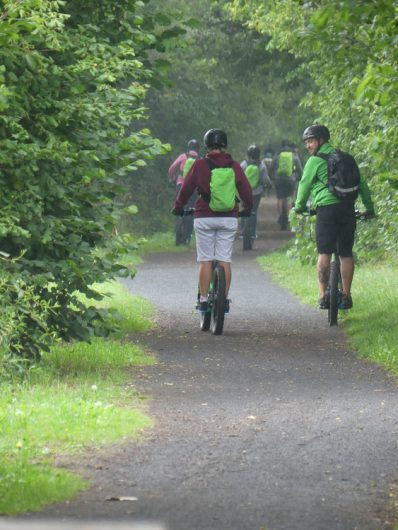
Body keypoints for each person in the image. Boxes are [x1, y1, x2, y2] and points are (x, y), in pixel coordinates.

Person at [294, 124, 375, 310]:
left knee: (324, 252)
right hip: (347, 209)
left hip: (326, 211)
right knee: (346, 253)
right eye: (306, 142)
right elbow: (361, 183)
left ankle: (323, 295)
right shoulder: (347, 158)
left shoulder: (315, 161)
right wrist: (369, 208)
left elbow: (304, 185)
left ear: (321, 140)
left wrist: (299, 207)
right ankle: (346, 296)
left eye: (311, 141)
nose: (308, 146)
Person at [172, 128, 253, 313]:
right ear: (225, 145)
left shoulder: (200, 165)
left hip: (204, 218)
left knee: (206, 259)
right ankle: (223, 300)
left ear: (207, 145)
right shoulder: (234, 166)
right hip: (228, 219)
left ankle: (203, 299)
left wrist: (178, 207)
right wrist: (246, 208)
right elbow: (246, 190)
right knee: (225, 259)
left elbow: (186, 189)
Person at [168, 139, 200, 244]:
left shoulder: (183, 156)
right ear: (198, 149)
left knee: (179, 209)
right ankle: (187, 237)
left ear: (188, 147)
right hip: (192, 189)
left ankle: (178, 238)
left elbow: (172, 168)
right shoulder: (199, 160)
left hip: (180, 185)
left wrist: (172, 178)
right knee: (190, 211)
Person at [240, 144, 272, 240]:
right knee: (253, 211)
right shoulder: (261, 165)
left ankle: (242, 232)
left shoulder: (243, 164)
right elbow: (265, 179)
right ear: (258, 154)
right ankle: (253, 233)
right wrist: (268, 185)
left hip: (244, 192)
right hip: (256, 193)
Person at [271, 140, 300, 230]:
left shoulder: (277, 156)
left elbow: (271, 168)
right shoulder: (294, 156)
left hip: (279, 180)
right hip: (290, 181)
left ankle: (280, 216)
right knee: (289, 199)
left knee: (280, 198)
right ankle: (287, 217)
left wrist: (273, 177)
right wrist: (296, 178)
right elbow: (300, 170)